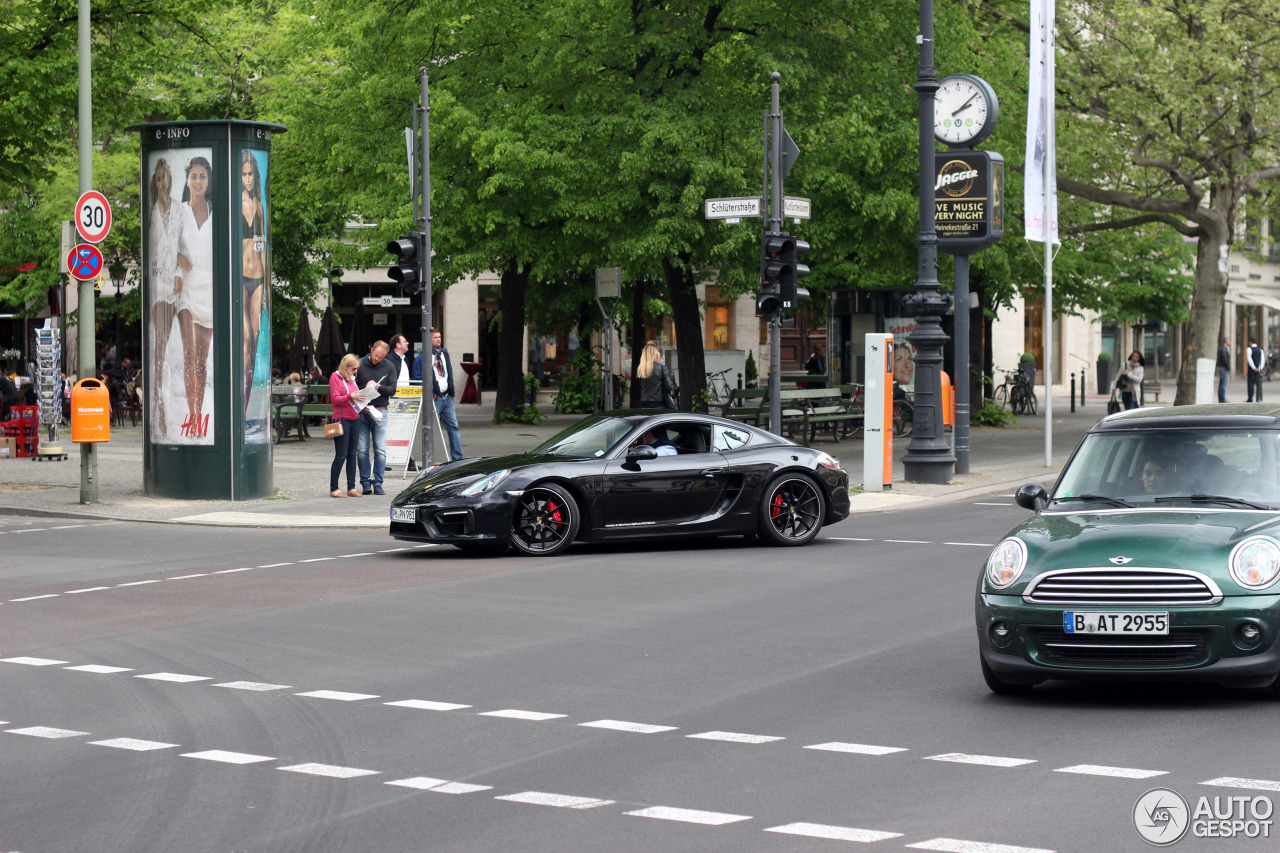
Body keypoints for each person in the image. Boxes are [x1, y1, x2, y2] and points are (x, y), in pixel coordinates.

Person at [173, 156, 215, 439]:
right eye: (193, 176)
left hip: (210, 291)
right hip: (186, 289)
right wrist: (177, 255)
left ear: (208, 181)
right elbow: (166, 242)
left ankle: (199, 417)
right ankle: (193, 416)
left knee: (202, 360)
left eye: (202, 176)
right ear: (186, 180)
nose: (198, 181)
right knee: (190, 355)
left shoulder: (217, 211)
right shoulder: (179, 212)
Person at [147, 157, 182, 437]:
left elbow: (183, 245)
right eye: (158, 179)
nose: (162, 183)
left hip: (176, 288)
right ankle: (158, 409)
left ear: (169, 180)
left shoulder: (179, 210)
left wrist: (181, 270)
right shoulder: (151, 213)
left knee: (171, 349)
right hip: (159, 287)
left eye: (165, 178)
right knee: (160, 350)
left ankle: (167, 410)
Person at [240, 149, 268, 417]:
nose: (247, 179)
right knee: (245, 338)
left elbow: (262, 248)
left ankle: (246, 402)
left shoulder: (259, 206)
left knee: (256, 336)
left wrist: (268, 287)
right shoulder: (233, 204)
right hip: (240, 278)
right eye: (244, 174)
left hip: (258, 277)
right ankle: (239, 396)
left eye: (250, 174)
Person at [355, 341, 398, 495]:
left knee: (380, 450)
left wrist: (377, 387)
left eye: (381, 358)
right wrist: (363, 389)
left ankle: (378, 482)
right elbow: (351, 388)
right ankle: (365, 482)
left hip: (380, 411)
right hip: (363, 410)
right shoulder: (359, 364)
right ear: (371, 350)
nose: (377, 360)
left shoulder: (389, 366)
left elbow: (392, 390)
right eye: (375, 356)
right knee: (362, 450)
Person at [328, 354, 365, 498]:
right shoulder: (335, 378)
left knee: (352, 455)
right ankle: (334, 488)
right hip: (342, 419)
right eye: (353, 368)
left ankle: (351, 487)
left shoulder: (352, 379)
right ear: (346, 367)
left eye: (356, 369)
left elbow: (354, 397)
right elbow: (335, 400)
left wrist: (363, 404)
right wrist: (351, 397)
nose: (355, 371)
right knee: (341, 455)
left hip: (355, 418)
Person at [428, 328, 464, 461]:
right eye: (435, 337)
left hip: (447, 397)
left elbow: (449, 373)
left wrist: (451, 390)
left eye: (439, 337)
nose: (438, 339)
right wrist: (432, 393)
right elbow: (421, 376)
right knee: (431, 429)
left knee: (454, 427)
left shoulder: (444, 353)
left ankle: (457, 458)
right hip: (436, 398)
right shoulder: (425, 356)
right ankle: (431, 458)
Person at [637, 342, 675, 409]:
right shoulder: (661, 368)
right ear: (656, 354)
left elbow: (641, 385)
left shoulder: (641, 369)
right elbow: (670, 386)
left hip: (643, 403)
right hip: (658, 404)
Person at [1246, 338, 1266, 402]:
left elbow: (1249, 359)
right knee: (1259, 384)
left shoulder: (1249, 349)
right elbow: (1262, 359)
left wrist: (1254, 367)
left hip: (1252, 370)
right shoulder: (1260, 349)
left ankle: (1250, 398)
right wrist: (1260, 368)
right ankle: (1259, 398)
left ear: (1250, 342)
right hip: (1259, 369)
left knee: (1250, 384)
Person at [1217, 338, 1231, 403]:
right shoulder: (1223, 349)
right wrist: (1228, 367)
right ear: (1226, 342)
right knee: (1223, 384)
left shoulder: (1223, 348)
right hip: (1224, 369)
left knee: (1222, 383)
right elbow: (1225, 359)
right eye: (1229, 341)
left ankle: (1221, 397)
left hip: (1223, 368)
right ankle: (1222, 398)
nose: (1230, 342)